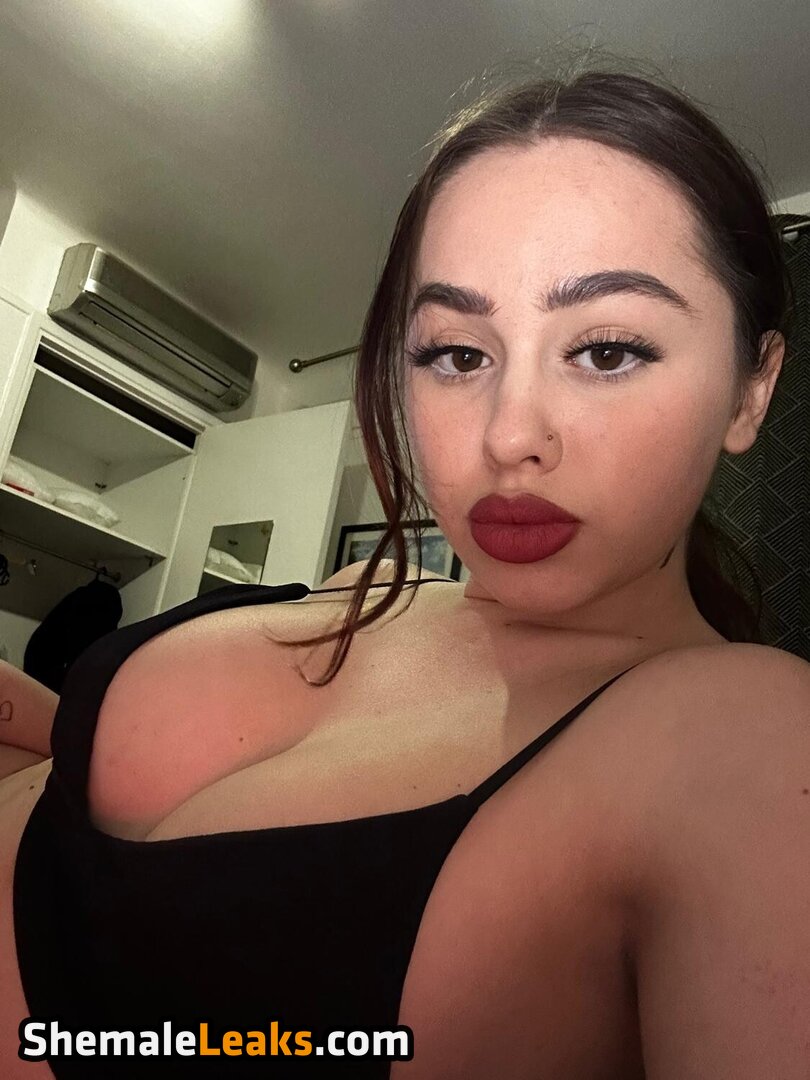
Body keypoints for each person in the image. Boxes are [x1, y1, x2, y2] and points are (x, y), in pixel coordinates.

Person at [1, 64, 809, 1079]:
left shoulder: (747, 743)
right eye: (459, 354)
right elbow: (72, 796)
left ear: (750, 390)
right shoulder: (362, 597)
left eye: (606, 350)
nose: (509, 435)